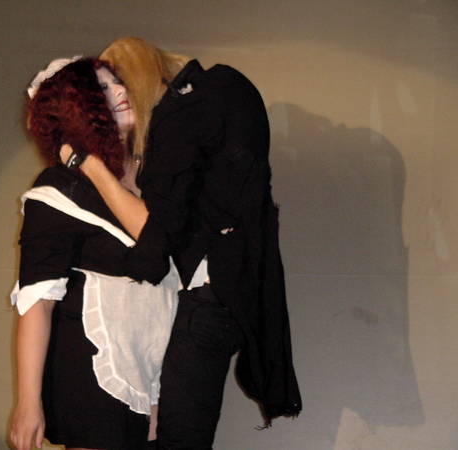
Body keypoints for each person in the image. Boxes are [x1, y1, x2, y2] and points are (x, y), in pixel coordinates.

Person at [61, 37, 302, 449]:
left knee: (176, 441)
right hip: (224, 298)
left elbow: (155, 247)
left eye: (115, 83)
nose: (113, 98)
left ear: (136, 75)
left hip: (203, 303)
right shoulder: (224, 90)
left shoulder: (179, 115)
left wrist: (89, 168)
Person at [9, 56, 179, 450]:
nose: (120, 92)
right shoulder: (59, 189)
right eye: (101, 88)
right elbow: (37, 301)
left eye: (117, 82)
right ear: (76, 108)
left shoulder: (157, 179)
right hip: (93, 362)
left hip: (157, 361)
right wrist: (28, 401)